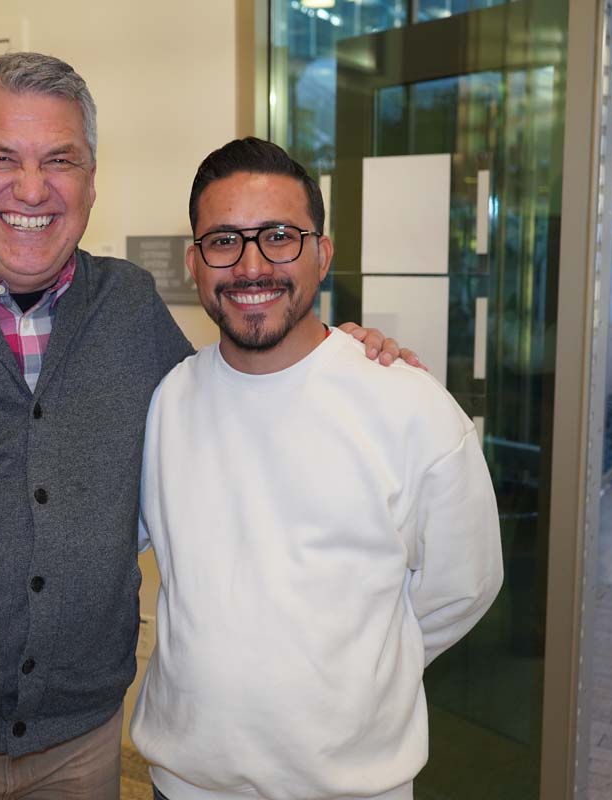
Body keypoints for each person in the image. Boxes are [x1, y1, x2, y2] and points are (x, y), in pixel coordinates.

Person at [0, 54, 416, 800]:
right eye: (2, 158)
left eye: (60, 160)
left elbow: (228, 397)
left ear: (91, 181)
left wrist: (336, 358)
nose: (32, 189)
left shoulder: (128, 308)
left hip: (82, 748)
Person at [130, 138, 503, 800]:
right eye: (224, 240)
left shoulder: (408, 406)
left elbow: (462, 587)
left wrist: (363, 675)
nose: (251, 266)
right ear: (195, 262)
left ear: (323, 254)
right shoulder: (167, 402)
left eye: (279, 236)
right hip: (183, 785)